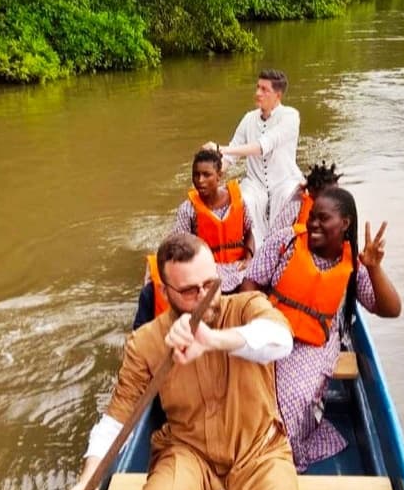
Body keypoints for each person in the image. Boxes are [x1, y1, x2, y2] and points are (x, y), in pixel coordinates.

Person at [66, 233, 299, 490]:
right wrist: (87, 480)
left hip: (259, 451)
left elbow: (280, 339)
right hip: (189, 453)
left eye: (211, 283)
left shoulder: (247, 307)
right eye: (190, 290)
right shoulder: (146, 342)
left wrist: (214, 339)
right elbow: (116, 419)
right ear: (167, 289)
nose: (205, 295)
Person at [241, 186, 401, 472]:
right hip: (270, 328)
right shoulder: (285, 243)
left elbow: (390, 310)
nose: (313, 223)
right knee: (240, 394)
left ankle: (274, 462)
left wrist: (374, 268)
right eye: (312, 216)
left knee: (290, 402)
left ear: (345, 224)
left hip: (313, 344)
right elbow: (250, 282)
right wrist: (257, 317)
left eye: (323, 218)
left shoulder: (353, 266)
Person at [133, 149, 255, 329]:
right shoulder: (187, 209)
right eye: (196, 175)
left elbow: (249, 231)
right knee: (155, 283)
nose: (200, 180)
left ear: (219, 176)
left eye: (206, 175)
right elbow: (179, 245)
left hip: (237, 268)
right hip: (205, 271)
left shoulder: (238, 201)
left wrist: (249, 256)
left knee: (254, 285)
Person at [204, 70, 303, 247]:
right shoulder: (249, 118)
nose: (258, 93)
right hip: (255, 183)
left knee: (290, 199)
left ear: (277, 95)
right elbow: (229, 158)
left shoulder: (290, 116)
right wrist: (211, 175)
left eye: (264, 90)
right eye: (258, 87)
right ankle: (253, 253)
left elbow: (261, 146)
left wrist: (220, 148)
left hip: (284, 180)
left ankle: (283, 250)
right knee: (242, 201)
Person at [268, 161, 343, 236]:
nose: (334, 198)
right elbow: (279, 235)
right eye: (329, 195)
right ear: (312, 191)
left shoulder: (331, 210)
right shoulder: (296, 206)